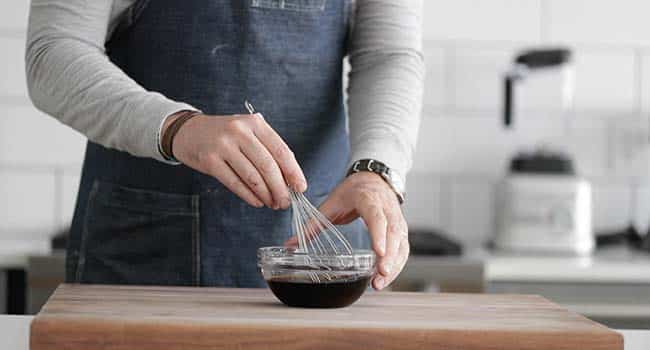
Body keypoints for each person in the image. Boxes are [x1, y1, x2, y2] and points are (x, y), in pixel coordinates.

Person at [25, 0, 423, 290]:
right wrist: (177, 128)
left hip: (318, 257)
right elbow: (54, 50)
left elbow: (388, 53)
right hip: (145, 260)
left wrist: (376, 171)